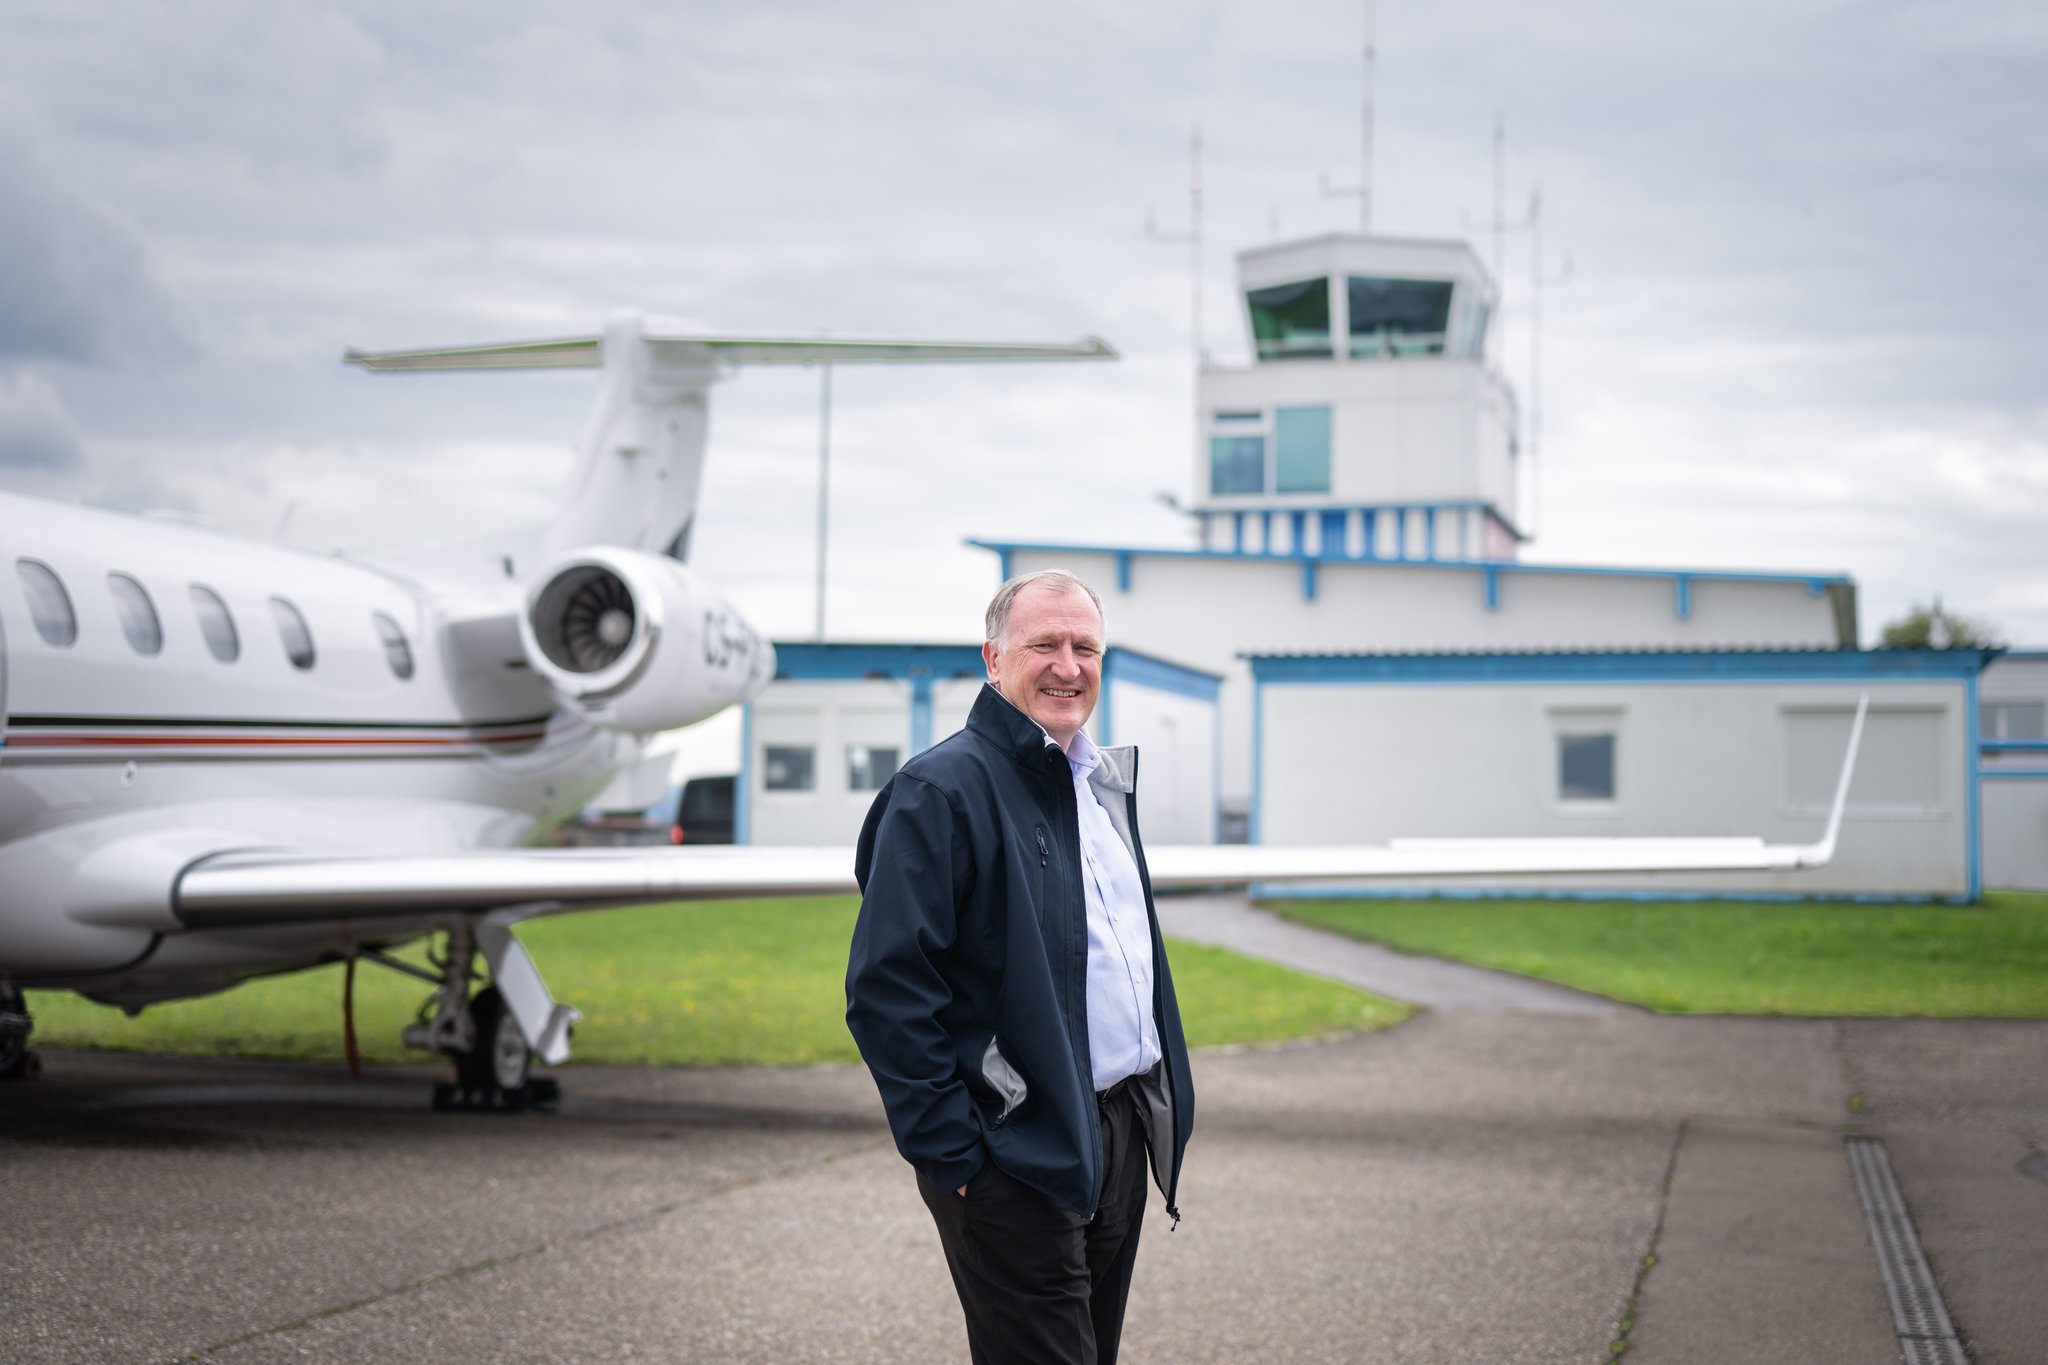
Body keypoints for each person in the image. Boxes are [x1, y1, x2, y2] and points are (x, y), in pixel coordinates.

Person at [846, 569, 1195, 1365]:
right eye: (1045, 644)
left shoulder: (1096, 786)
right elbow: (887, 991)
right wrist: (957, 1157)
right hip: (1012, 1154)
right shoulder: (940, 791)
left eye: (1086, 647)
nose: (1068, 666)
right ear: (993, 658)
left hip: (1114, 1135)